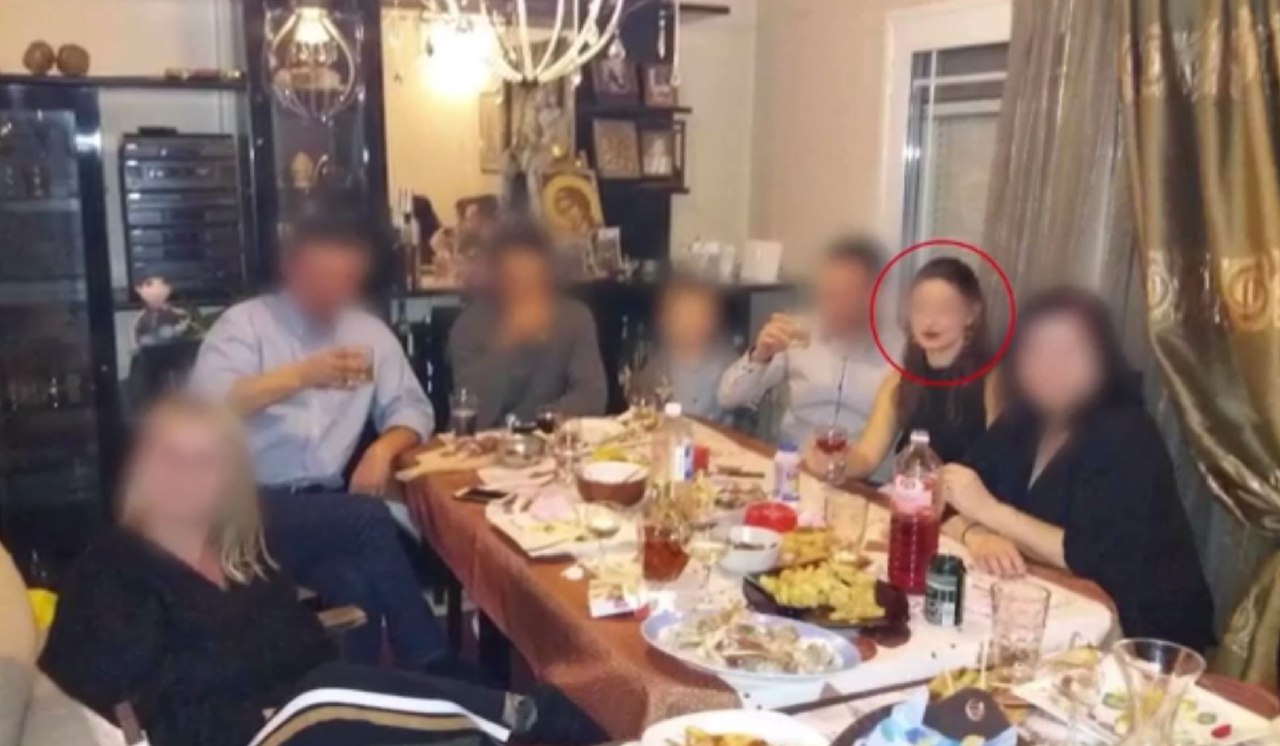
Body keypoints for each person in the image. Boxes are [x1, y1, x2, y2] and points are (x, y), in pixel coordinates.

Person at [38, 397, 605, 746]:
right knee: (326, 695)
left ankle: (502, 723)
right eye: (173, 459)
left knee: (364, 708)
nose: (188, 476)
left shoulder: (239, 550)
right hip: (234, 736)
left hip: (303, 717)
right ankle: (533, 715)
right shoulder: (115, 565)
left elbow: (299, 642)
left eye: (207, 461)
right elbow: (79, 692)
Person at [188, 208, 448, 670]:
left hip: (318, 512)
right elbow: (206, 408)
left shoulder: (366, 333)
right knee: (368, 518)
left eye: (344, 277)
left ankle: (354, 694)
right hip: (240, 507)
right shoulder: (245, 324)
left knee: (358, 583)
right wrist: (303, 375)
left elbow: (412, 407)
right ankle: (430, 657)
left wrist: (383, 448)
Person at [936, 287, 1215, 651]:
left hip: (1140, 632)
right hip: (1046, 603)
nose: (1050, 366)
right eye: (1037, 350)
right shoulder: (1025, 417)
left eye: (1069, 351)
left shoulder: (1126, 431)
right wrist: (976, 535)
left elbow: (1093, 557)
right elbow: (949, 493)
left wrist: (991, 513)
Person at [718, 235, 901, 449]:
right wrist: (760, 356)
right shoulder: (796, 333)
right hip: (794, 457)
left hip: (859, 465)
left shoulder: (901, 352)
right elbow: (728, 397)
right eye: (829, 293)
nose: (836, 305)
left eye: (848, 293)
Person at [837, 257, 999, 477]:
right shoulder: (898, 382)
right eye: (921, 309)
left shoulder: (993, 381)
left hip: (965, 498)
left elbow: (1001, 469)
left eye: (943, 309)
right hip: (908, 492)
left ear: (972, 314)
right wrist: (835, 461)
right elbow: (866, 457)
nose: (929, 321)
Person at [447, 218, 607, 429]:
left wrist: (538, 422)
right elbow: (475, 413)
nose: (523, 288)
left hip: (552, 436)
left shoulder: (575, 318)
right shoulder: (468, 327)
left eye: (532, 277)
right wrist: (509, 339)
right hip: (484, 443)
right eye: (513, 277)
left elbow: (592, 397)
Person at [633, 278, 736, 423]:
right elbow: (643, 409)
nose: (690, 323)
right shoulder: (657, 366)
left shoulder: (730, 364)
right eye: (681, 315)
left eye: (698, 314)